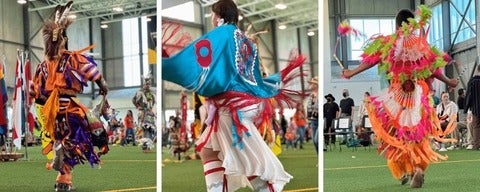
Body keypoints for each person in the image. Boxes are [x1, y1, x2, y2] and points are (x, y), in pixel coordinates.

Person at [162, 0, 306, 190]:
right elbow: (254, 78)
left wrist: (170, 64)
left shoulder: (223, 35)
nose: (212, 18)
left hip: (232, 107)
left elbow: (201, 58)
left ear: (220, 15)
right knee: (210, 151)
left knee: (241, 157)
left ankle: (266, 188)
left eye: (213, 14)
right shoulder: (247, 41)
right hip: (244, 105)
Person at [341, 6, 458, 188]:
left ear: (396, 26)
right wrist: (449, 81)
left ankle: (405, 169)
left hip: (396, 96)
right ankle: (418, 168)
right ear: (412, 26)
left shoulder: (389, 43)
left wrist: (352, 72)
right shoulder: (422, 46)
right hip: (418, 95)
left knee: (396, 135)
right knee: (418, 134)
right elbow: (434, 68)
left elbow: (371, 60)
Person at [30, 1, 109, 191]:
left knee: (63, 141)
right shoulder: (71, 57)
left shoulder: (42, 66)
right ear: (63, 39)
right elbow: (92, 71)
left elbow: (36, 94)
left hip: (54, 112)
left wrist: (46, 108)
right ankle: (64, 180)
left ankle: (62, 179)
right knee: (78, 139)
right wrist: (102, 85)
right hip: (70, 110)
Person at [465, 65, 480, 150]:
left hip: (476, 108)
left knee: (476, 126)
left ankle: (476, 145)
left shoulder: (473, 81)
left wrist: (467, 108)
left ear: (477, 70)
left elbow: (469, 95)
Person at [306, 76, 319, 153]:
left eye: (312, 84)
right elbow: (308, 107)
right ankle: (319, 158)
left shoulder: (320, 94)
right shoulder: (311, 95)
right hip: (313, 119)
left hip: (319, 119)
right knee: (314, 141)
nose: (311, 85)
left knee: (317, 140)